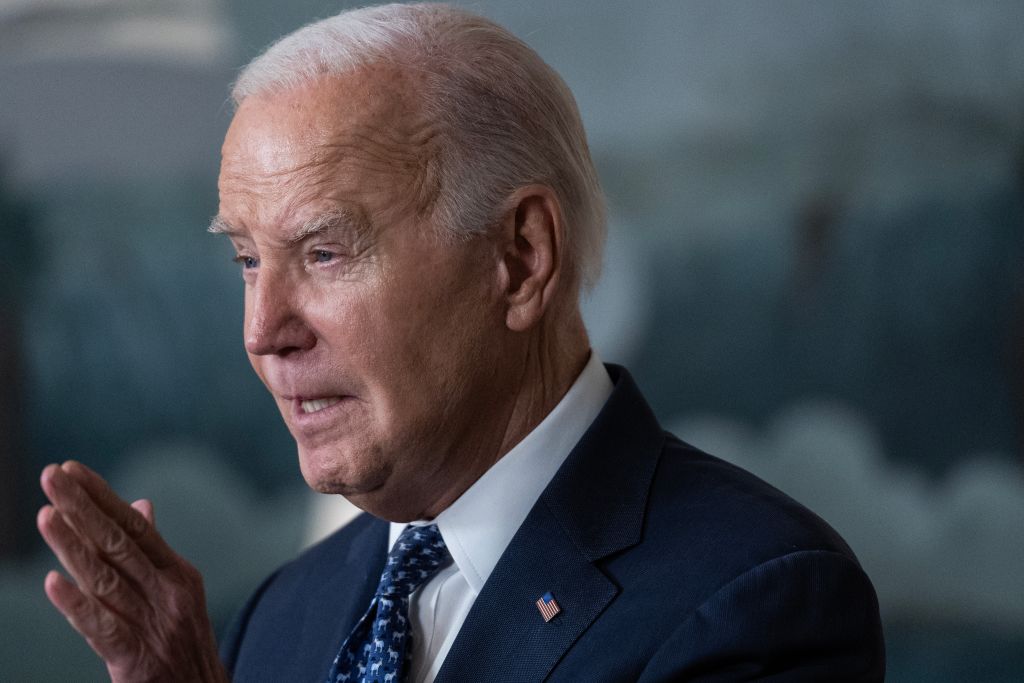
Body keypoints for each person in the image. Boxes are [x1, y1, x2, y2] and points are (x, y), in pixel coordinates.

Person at [36, 3, 885, 681]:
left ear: (519, 261)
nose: (263, 331)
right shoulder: (282, 614)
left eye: (325, 253)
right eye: (249, 260)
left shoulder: (760, 603)